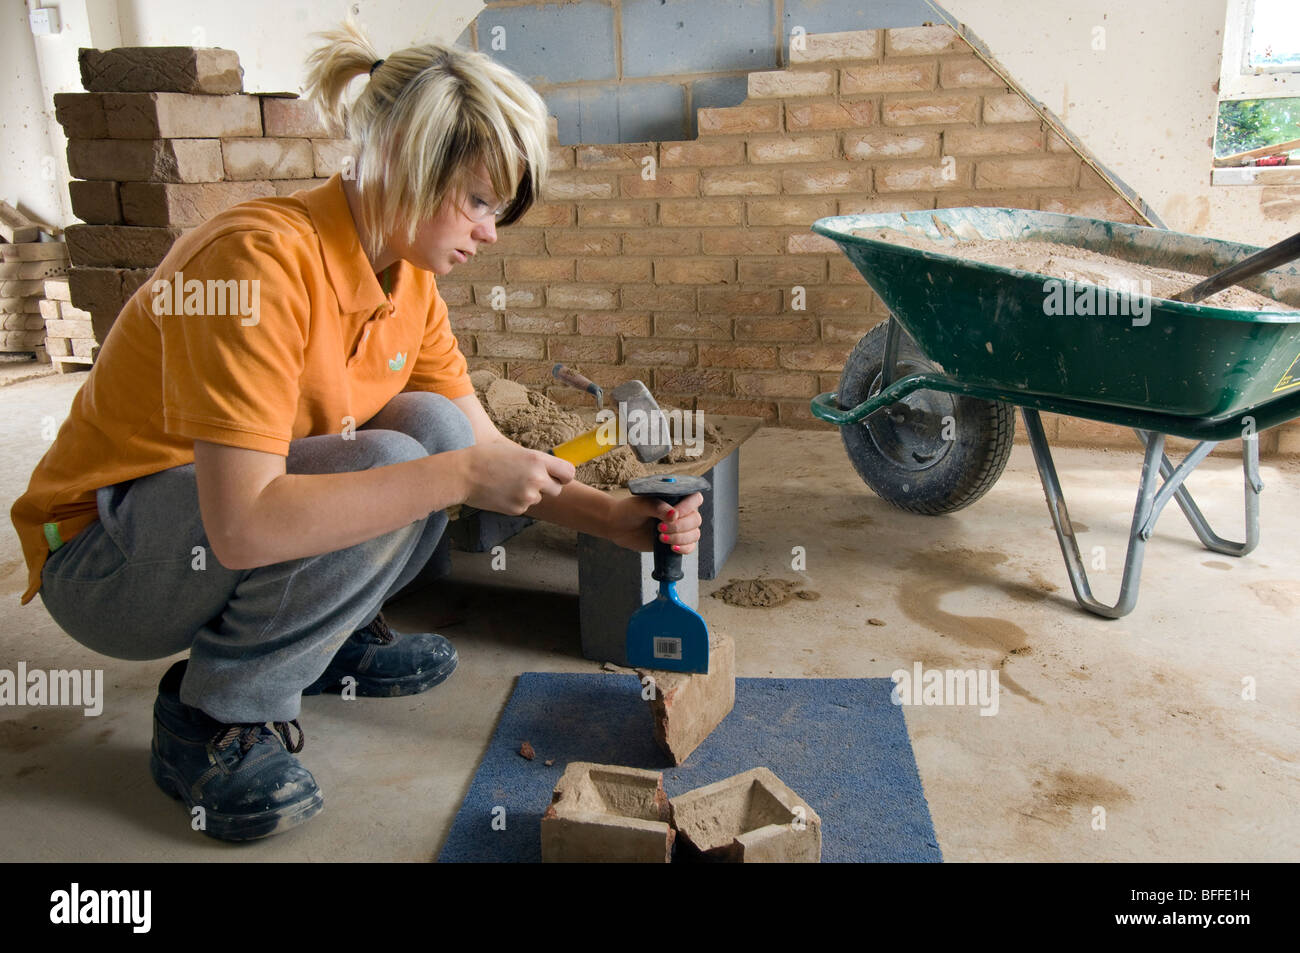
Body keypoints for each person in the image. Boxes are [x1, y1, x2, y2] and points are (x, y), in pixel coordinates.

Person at [9, 20, 702, 842]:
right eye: (478, 201)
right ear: (410, 158)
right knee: (397, 457)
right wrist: (453, 479)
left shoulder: (405, 281)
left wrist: (614, 518)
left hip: (190, 533)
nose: (489, 231)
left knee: (435, 426)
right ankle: (212, 717)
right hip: (107, 561)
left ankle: (321, 639)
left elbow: (480, 451)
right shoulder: (257, 265)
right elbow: (243, 526)